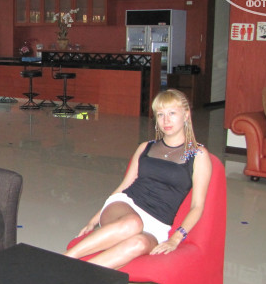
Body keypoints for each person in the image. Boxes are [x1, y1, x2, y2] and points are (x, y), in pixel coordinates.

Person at [64, 89, 212, 269]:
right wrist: (93, 220)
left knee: (139, 243)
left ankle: (80, 274)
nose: (166, 120)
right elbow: (123, 186)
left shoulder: (198, 155)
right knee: (133, 224)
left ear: (186, 115)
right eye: (160, 114)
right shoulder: (145, 147)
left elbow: (197, 206)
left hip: (158, 223)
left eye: (172, 113)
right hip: (125, 207)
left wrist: (175, 238)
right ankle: (63, 260)